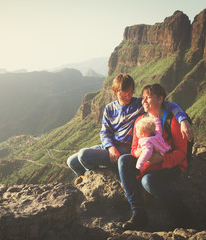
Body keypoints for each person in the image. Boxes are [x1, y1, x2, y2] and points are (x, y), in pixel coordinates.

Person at [66, 73, 194, 185]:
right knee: (71, 162)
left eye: (131, 93)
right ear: (115, 92)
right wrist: (110, 148)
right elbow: (105, 132)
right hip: (112, 146)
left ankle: (95, 176)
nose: (128, 96)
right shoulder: (109, 108)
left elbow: (166, 104)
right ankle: (85, 177)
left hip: (126, 148)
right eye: (124, 94)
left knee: (84, 155)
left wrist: (182, 119)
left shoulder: (139, 103)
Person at [119, 83, 192, 230]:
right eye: (143, 98)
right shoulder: (140, 121)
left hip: (170, 163)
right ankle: (138, 213)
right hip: (147, 161)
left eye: (148, 97)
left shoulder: (171, 121)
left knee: (148, 182)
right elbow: (134, 148)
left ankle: (182, 212)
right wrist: (140, 153)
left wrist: (162, 159)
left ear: (160, 99)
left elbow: (181, 152)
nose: (144, 101)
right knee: (123, 161)